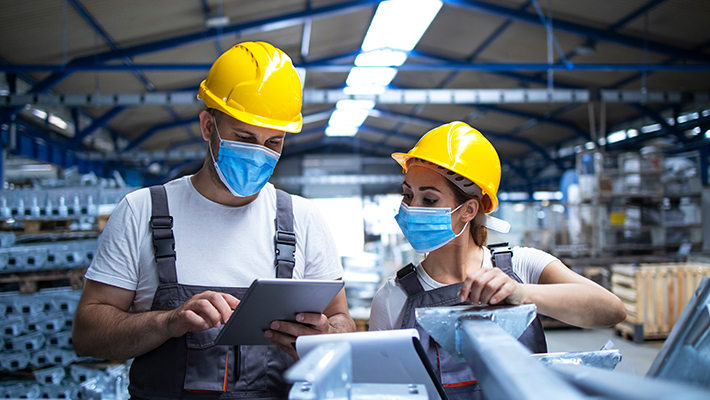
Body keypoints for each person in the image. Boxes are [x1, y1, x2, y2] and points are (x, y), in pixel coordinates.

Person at [72, 41, 356, 400]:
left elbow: (341, 319)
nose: (259, 154)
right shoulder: (141, 211)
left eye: (274, 142)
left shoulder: (304, 220)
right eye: (244, 137)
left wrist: (327, 336)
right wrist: (168, 321)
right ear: (208, 126)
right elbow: (87, 335)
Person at [369, 121, 626, 399]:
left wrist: (521, 293)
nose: (410, 209)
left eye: (429, 199)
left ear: (468, 210)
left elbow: (611, 311)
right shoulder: (392, 298)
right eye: (407, 195)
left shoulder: (522, 266)